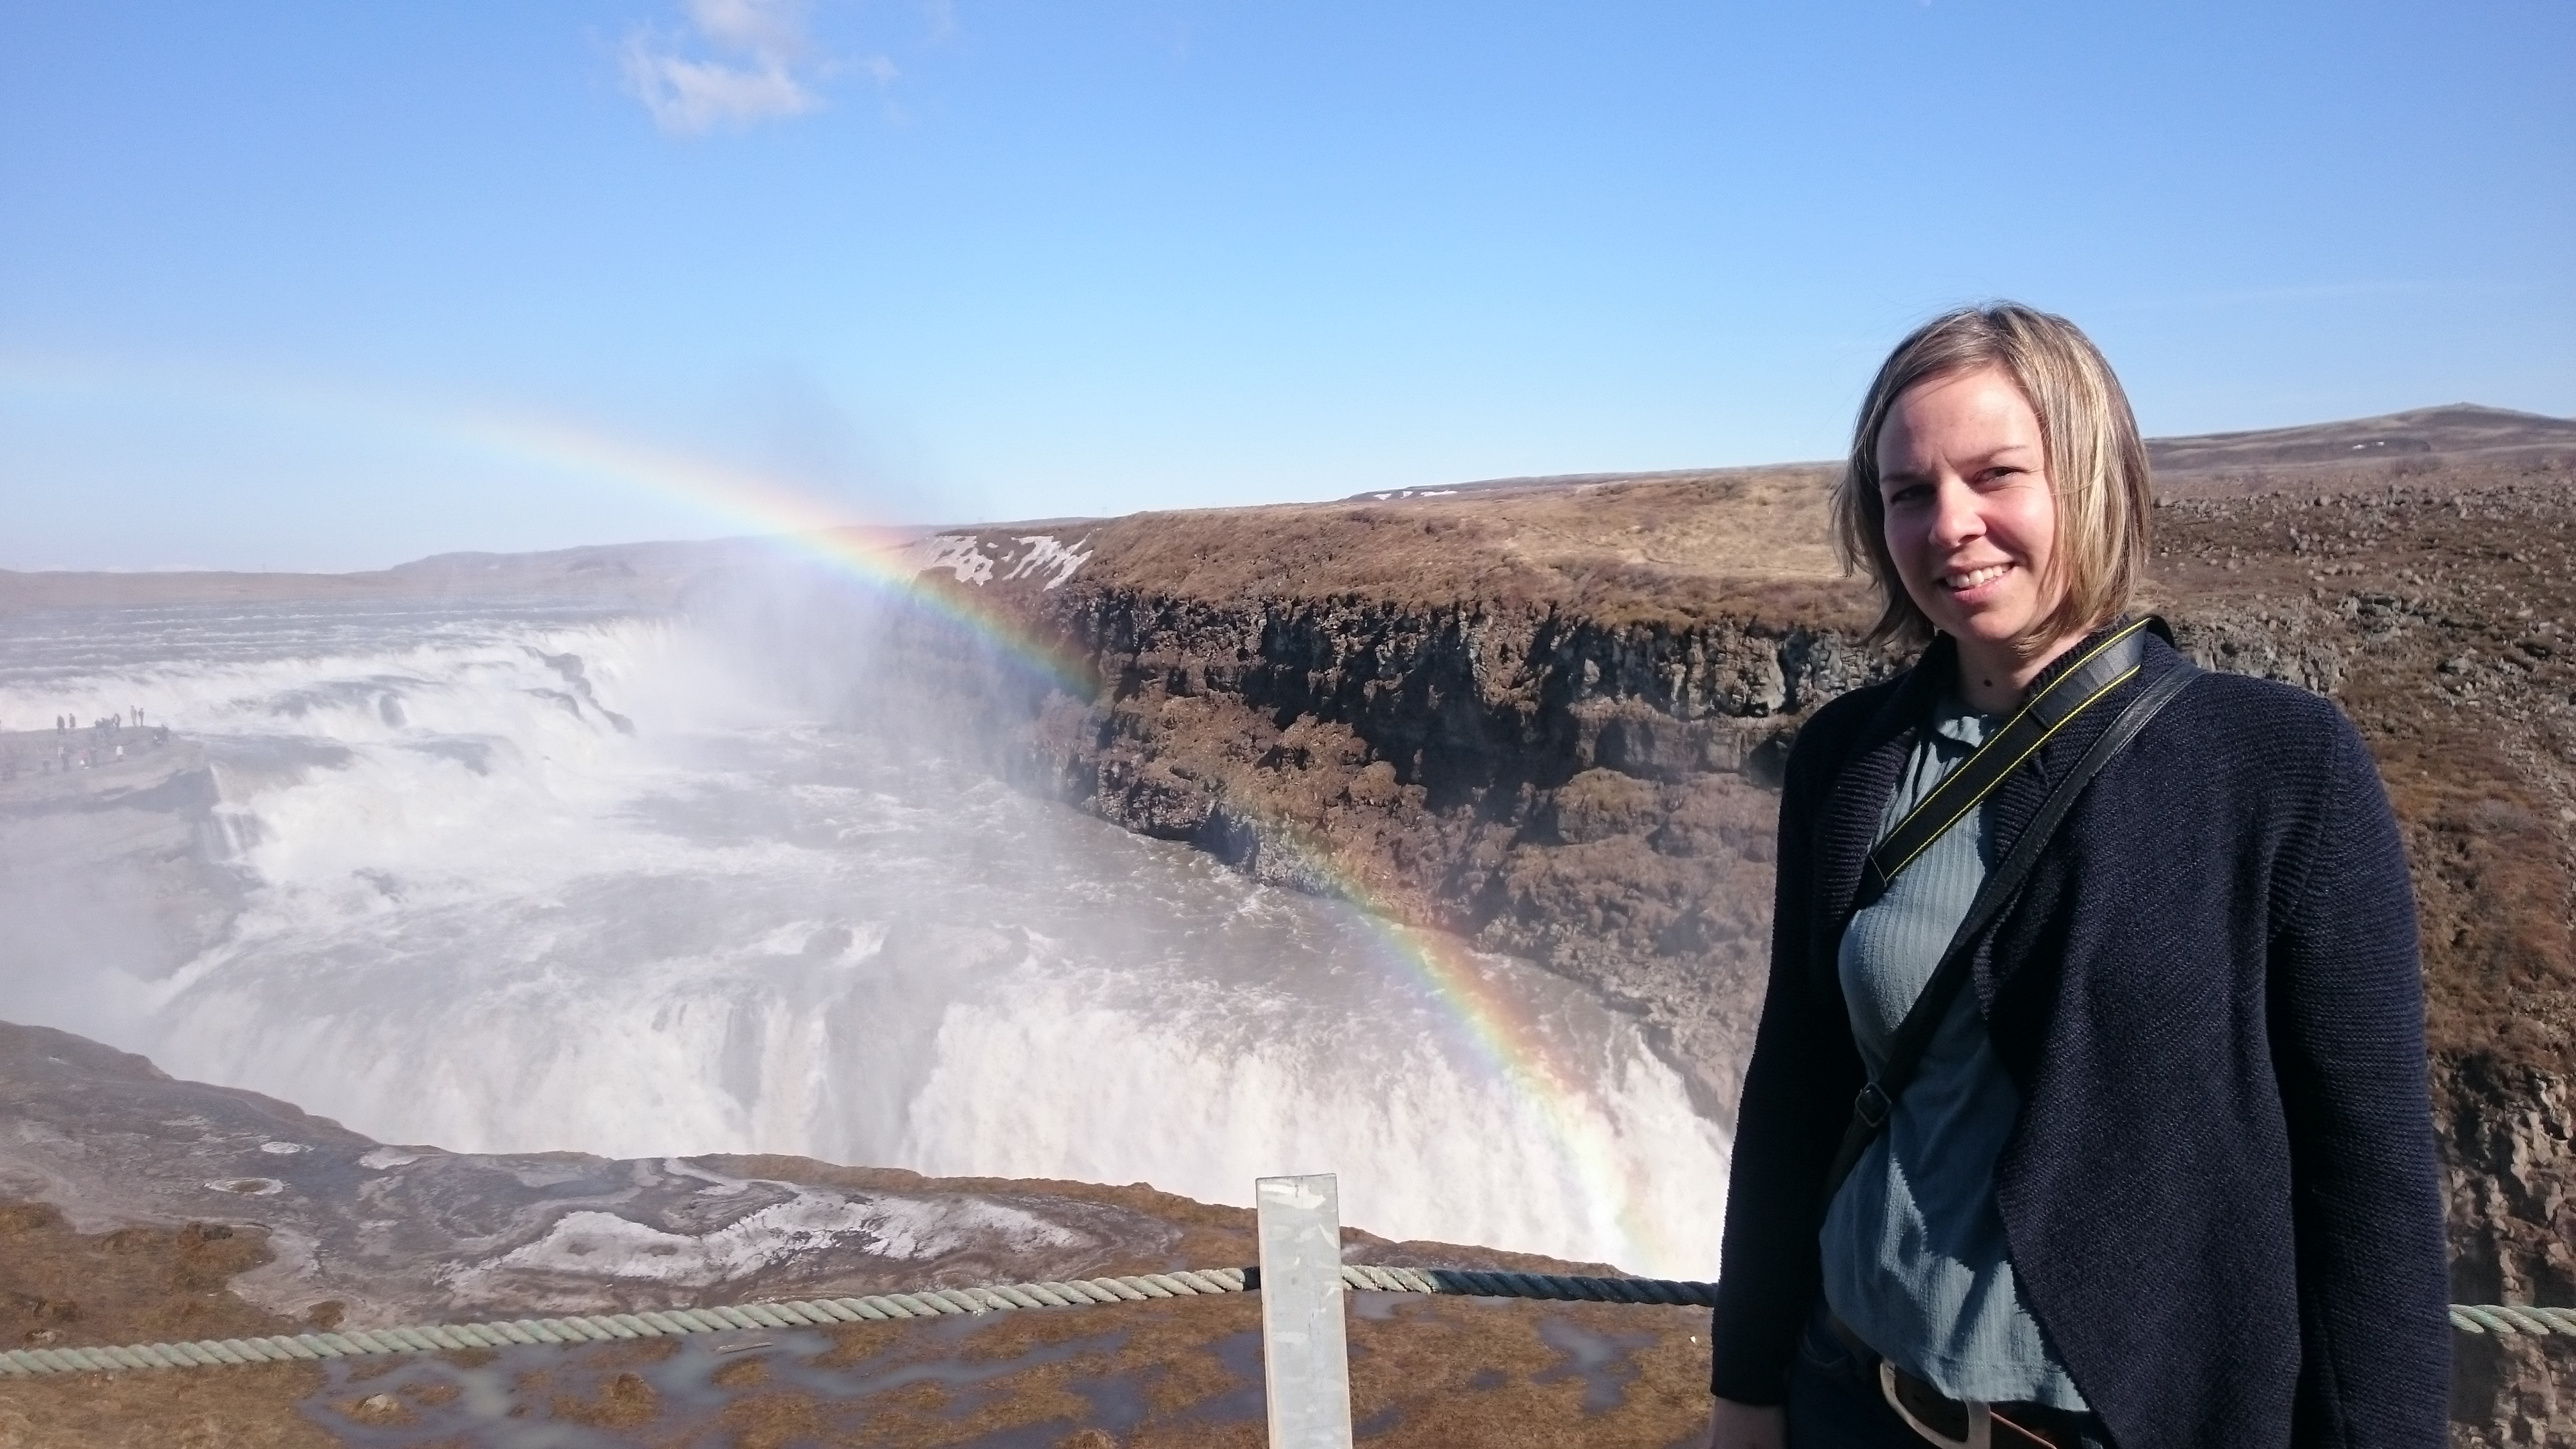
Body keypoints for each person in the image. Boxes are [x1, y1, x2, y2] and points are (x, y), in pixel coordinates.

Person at [1701, 304, 2448, 1448]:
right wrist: (1747, 1391)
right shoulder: (1849, 757)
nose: (1952, 526)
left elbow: (2370, 1182)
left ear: (2091, 478)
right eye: (1909, 493)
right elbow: (1796, 1081)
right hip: (1846, 1395)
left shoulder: (2277, 765)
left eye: (1997, 474)